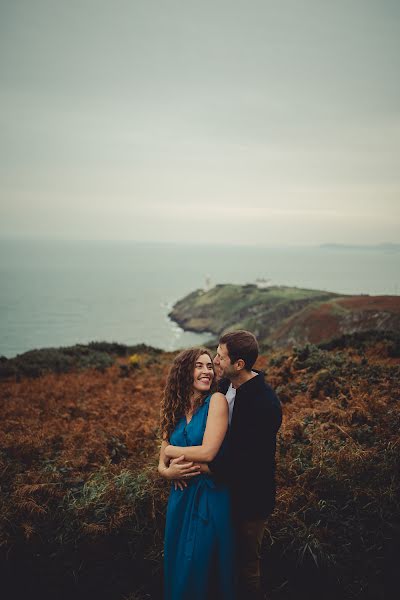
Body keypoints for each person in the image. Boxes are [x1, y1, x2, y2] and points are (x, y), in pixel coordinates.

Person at [158, 347, 236, 600]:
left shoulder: (216, 402)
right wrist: (166, 473)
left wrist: (170, 451)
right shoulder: (175, 408)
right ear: (184, 372)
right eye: (199, 366)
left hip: (210, 496)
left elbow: (208, 453)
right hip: (179, 497)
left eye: (209, 366)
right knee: (179, 562)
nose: (206, 372)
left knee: (203, 564)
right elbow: (162, 460)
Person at [211, 330, 282, 600]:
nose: (215, 360)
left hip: (251, 497)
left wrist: (202, 468)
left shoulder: (265, 404)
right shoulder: (225, 385)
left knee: (247, 560)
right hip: (223, 491)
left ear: (239, 364)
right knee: (223, 555)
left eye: (220, 357)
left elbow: (249, 460)